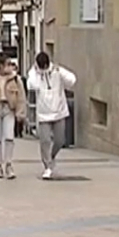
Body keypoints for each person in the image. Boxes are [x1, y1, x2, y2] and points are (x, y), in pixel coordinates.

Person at [27, 51, 77, 180]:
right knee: (45, 141)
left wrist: (60, 72)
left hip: (59, 111)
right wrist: (35, 72)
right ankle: (47, 166)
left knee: (60, 140)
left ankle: (52, 156)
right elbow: (32, 85)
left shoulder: (57, 71)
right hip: (43, 114)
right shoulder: (35, 73)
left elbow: (72, 81)